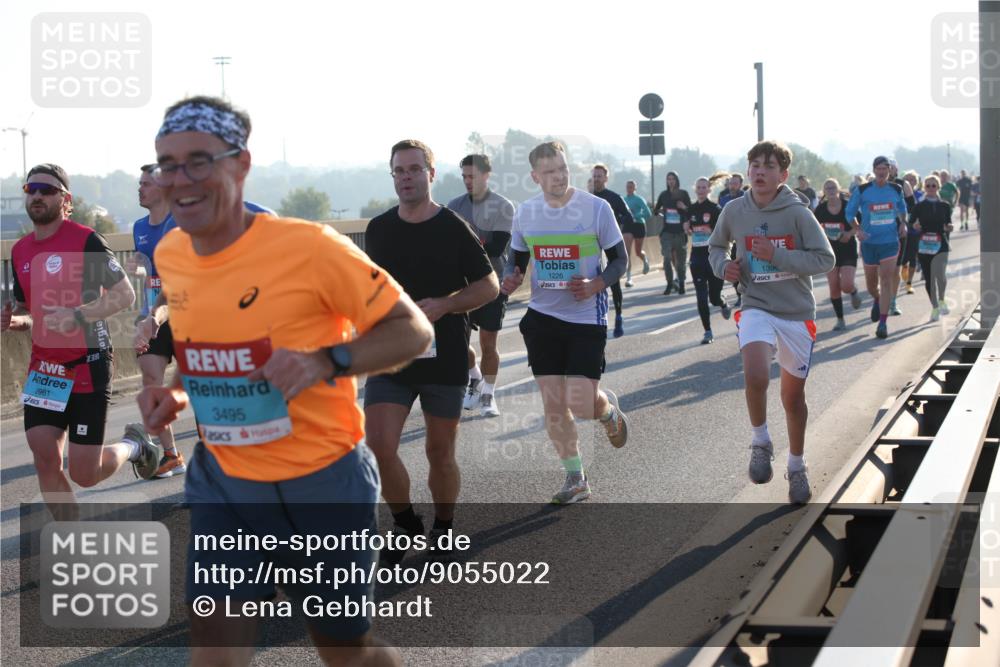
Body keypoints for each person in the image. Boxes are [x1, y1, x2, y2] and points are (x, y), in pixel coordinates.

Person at [140, 96, 429, 666]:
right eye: (166, 164)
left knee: (343, 648)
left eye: (199, 161)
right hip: (225, 482)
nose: (180, 180)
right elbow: (206, 350)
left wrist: (327, 361)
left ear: (240, 164)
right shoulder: (172, 253)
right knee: (215, 647)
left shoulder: (308, 247)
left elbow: (413, 332)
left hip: (323, 482)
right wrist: (174, 391)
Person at [365, 139, 497, 562]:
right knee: (378, 446)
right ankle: (404, 523)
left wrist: (445, 304)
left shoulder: (452, 226)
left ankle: (443, 526)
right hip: (392, 355)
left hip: (446, 355)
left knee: (439, 452)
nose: (405, 177)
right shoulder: (380, 229)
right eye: (398, 171)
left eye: (413, 170)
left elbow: (489, 285)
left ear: (430, 175)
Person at [4, 163, 160, 519]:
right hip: (46, 368)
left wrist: (76, 315)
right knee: (45, 456)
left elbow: (123, 295)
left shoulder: (85, 239)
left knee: (84, 473)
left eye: (47, 189)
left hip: (88, 362)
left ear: (66, 199)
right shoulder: (21, 252)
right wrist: (16, 321)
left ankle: (135, 445)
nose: (38, 195)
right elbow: (31, 314)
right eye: (31, 190)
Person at [501, 141, 630, 504]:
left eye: (563, 168)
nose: (559, 176)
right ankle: (576, 477)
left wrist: (597, 284)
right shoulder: (526, 213)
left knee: (581, 400)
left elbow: (620, 260)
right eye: (550, 171)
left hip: (586, 316)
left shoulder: (595, 208)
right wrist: (511, 279)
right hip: (542, 317)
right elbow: (518, 261)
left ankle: (606, 412)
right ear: (535, 176)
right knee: (554, 401)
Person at [708, 140, 834, 504]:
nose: (760, 171)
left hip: (795, 311)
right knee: (756, 374)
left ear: (783, 174)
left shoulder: (797, 213)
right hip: (756, 304)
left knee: (793, 398)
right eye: (754, 165)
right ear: (748, 171)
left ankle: (796, 465)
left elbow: (824, 259)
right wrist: (724, 266)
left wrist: (777, 254)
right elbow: (715, 248)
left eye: (768, 165)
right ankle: (760, 441)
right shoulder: (734, 211)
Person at [127, 165, 186, 478]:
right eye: (139, 184)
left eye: (146, 184)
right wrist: (137, 266)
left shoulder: (181, 222)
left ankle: (218, 457)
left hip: (187, 312)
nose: (140, 189)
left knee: (198, 384)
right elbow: (145, 265)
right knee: (151, 381)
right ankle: (170, 454)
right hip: (154, 315)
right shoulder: (138, 226)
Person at [447, 154, 515, 418]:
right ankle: (474, 378)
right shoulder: (454, 206)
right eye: (464, 176)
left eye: (472, 176)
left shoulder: (503, 206)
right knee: (457, 343)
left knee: (488, 344)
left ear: (487, 175)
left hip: (492, 285)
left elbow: (496, 248)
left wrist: (464, 241)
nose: (467, 181)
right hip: (460, 285)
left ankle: (488, 395)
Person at [845, 156, 908, 339]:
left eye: (885, 168)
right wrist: (858, 230)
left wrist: (903, 224)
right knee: (872, 284)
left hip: (889, 242)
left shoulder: (896, 189)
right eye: (879, 168)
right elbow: (849, 213)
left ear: (889, 171)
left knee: (886, 279)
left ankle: (882, 323)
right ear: (874, 170)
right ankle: (877, 299)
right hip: (869, 243)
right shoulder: (863, 190)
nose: (882, 172)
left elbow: (902, 209)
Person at [685, 177, 731, 343]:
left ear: (709, 190)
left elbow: (724, 232)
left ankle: (723, 303)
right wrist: (688, 229)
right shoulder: (691, 209)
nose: (701, 190)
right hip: (697, 257)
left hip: (713, 257)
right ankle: (708, 332)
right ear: (695, 189)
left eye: (704, 187)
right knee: (701, 296)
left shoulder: (715, 209)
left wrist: (711, 231)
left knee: (713, 297)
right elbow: (689, 228)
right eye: (698, 187)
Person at [590, 164, 634, 337]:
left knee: (613, 283)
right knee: (592, 281)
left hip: (610, 246)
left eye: (600, 176)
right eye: (594, 175)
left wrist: (616, 231)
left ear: (606, 178)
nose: (596, 178)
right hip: (592, 246)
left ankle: (619, 316)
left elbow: (629, 217)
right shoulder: (587, 198)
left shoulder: (614, 198)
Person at [815, 179, 862, 330]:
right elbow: (814, 228)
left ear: (838, 189)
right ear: (824, 191)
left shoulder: (848, 206)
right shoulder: (821, 209)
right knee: (834, 286)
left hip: (847, 248)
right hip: (830, 251)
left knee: (846, 285)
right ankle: (840, 319)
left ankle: (853, 291)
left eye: (833, 187)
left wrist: (849, 233)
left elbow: (859, 227)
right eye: (827, 188)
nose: (830, 190)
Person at [910, 175, 954, 320]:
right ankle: (935, 307)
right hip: (924, 245)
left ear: (938, 187)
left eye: (933, 186)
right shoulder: (919, 206)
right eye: (927, 186)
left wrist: (949, 227)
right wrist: (915, 225)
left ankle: (941, 299)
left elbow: (948, 223)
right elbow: (911, 223)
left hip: (941, 243)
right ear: (924, 187)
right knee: (929, 278)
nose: (930, 188)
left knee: (940, 275)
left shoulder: (945, 206)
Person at [653, 171, 691, 295]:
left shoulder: (683, 194)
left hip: (680, 232)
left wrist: (683, 207)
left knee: (680, 261)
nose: (670, 181)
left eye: (673, 179)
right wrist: (662, 212)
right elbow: (655, 210)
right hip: (667, 232)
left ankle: (681, 283)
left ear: (677, 180)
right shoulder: (663, 195)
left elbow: (691, 211)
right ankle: (669, 283)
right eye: (668, 179)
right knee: (667, 258)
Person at [719, 173, 746, 307]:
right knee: (733, 267)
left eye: (735, 183)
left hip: (743, 237)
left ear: (740, 184)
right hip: (729, 237)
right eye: (730, 183)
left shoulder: (746, 197)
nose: (732, 185)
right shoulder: (723, 199)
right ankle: (739, 294)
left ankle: (746, 295)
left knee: (744, 267)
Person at [622, 179, 652, 287]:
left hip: (639, 225)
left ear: (635, 188)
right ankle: (629, 278)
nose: (629, 188)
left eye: (631, 186)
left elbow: (648, 213)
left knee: (638, 252)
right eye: (627, 186)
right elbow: (620, 213)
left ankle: (644, 259)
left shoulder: (639, 199)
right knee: (627, 252)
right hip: (628, 226)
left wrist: (637, 216)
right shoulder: (623, 200)